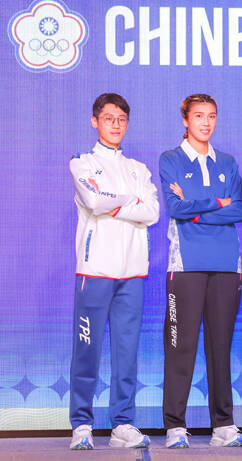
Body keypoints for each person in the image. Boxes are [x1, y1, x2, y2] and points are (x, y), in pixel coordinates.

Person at [68, 93, 159, 450]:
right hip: (95, 270)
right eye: (109, 118)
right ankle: (81, 423)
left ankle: (122, 423)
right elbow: (93, 200)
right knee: (86, 349)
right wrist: (128, 202)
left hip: (133, 273)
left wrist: (114, 202)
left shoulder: (139, 169)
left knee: (127, 350)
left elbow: (151, 211)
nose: (116, 125)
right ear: (96, 121)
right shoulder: (82, 162)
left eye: (121, 119)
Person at [159, 94, 242, 449]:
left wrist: (198, 208)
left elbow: (240, 210)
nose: (206, 122)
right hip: (187, 267)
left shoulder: (226, 161)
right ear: (185, 119)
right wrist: (217, 202)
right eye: (199, 116)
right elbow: (176, 208)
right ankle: (175, 426)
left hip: (226, 266)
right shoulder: (171, 159)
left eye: (211, 116)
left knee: (220, 347)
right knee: (180, 346)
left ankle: (223, 424)